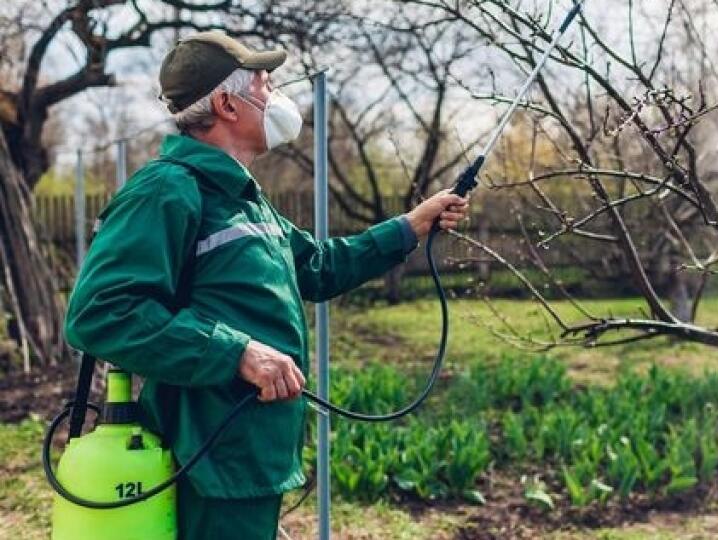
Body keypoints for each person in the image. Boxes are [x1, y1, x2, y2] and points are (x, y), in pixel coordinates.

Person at [64, 31, 469, 540]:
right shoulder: (167, 189)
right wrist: (237, 353)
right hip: (209, 458)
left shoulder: (243, 199)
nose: (275, 96)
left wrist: (409, 227)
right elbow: (101, 312)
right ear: (226, 103)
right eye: (265, 84)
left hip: (250, 457)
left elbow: (317, 266)